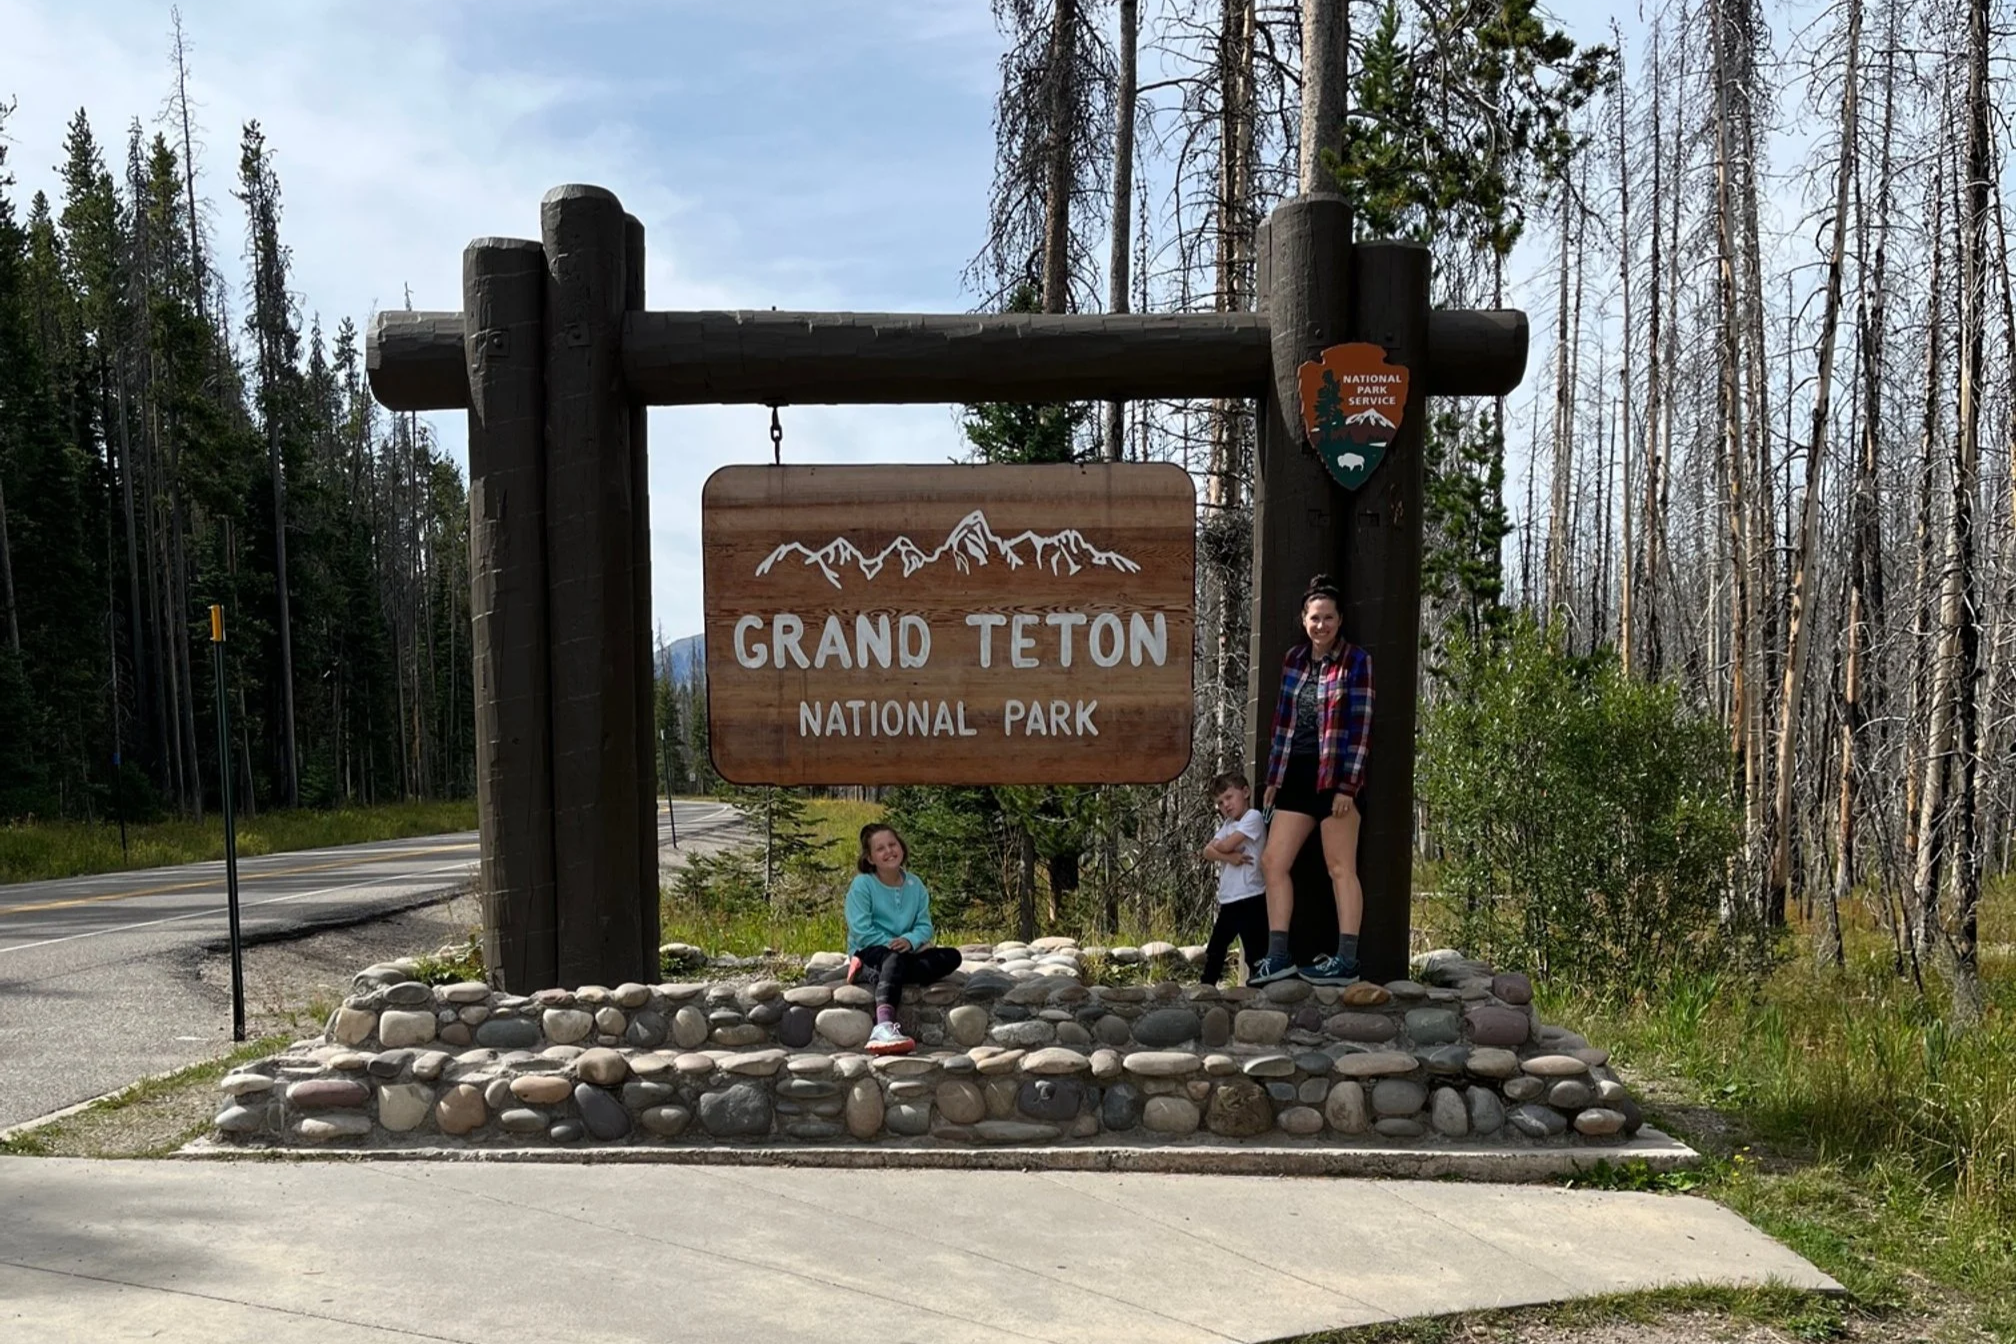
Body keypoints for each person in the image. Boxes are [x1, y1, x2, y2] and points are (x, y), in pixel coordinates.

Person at [1250, 573, 1374, 987]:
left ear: (1339, 621)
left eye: (1328, 618)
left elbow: (1360, 727)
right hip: (1296, 775)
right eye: (1314, 617)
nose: (1321, 625)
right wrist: (1273, 777)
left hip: (1335, 779)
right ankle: (1279, 956)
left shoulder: (1356, 662)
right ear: (1304, 620)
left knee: (1341, 867)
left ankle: (1347, 960)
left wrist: (1348, 787)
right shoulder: (1294, 661)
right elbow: (1282, 722)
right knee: (1273, 862)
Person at [845, 822, 961, 1056]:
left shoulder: (915, 885)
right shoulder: (862, 885)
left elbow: (924, 925)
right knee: (894, 959)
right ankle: (884, 1026)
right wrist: (894, 945)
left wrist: (910, 940)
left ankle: (873, 974)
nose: (889, 851)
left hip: (906, 951)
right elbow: (861, 929)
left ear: (901, 847)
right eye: (880, 849)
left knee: (951, 956)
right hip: (871, 947)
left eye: (892, 844)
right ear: (870, 858)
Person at [1198, 771, 1269, 987]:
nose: (1225, 806)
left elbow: (1223, 844)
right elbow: (1207, 852)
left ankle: (1261, 989)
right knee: (1217, 947)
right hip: (1229, 899)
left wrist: (1223, 849)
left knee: (1255, 949)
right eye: (1220, 803)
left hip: (1251, 895)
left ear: (1245, 792)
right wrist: (1231, 857)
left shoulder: (1253, 817)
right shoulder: (1228, 825)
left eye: (1229, 797)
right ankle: (1206, 986)